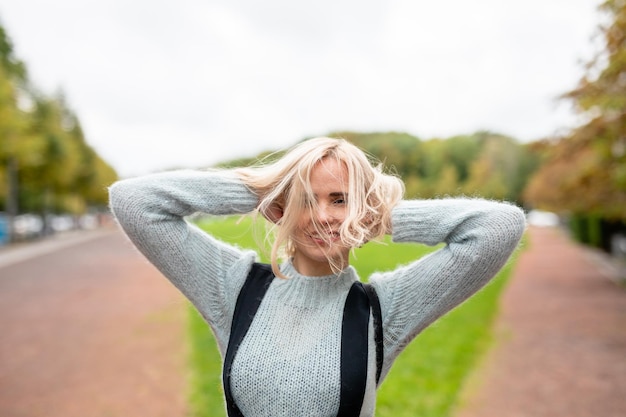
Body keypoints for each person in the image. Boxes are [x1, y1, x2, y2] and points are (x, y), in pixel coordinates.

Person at [108, 137, 526, 416]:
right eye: (306, 200)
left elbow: (498, 227)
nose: (322, 216)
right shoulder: (233, 288)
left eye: (339, 199)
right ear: (283, 207)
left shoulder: (383, 310)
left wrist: (376, 216)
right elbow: (134, 201)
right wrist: (264, 189)